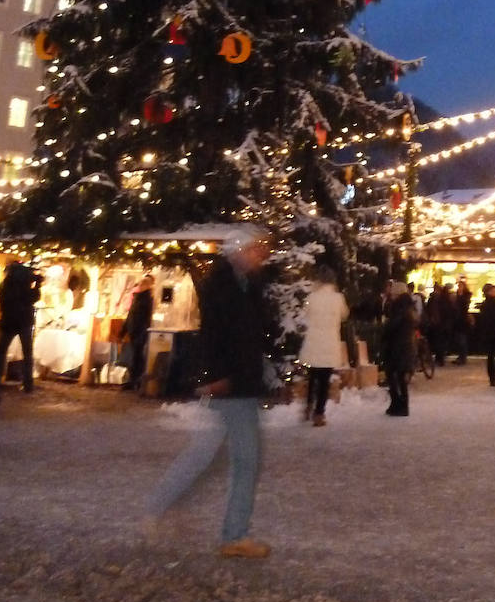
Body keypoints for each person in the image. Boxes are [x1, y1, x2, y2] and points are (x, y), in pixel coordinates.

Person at [146, 229, 272, 557]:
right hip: (232, 385)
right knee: (244, 460)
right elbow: (216, 336)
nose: (262, 254)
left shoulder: (247, 286)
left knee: (206, 454)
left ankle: (159, 507)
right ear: (239, 251)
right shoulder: (224, 287)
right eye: (256, 249)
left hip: (240, 383)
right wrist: (217, 376)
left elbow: (253, 336)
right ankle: (234, 536)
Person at [298, 264, 348, 427]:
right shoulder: (338, 298)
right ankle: (319, 414)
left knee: (313, 376)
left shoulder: (312, 297)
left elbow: (305, 316)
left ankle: (308, 406)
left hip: (314, 343)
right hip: (329, 344)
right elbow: (344, 315)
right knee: (325, 380)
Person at [0, 259, 41, 392]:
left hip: (9, 320)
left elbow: (2, 301)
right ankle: (28, 384)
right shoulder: (25, 284)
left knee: (1, 351)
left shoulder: (5, 284)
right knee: (27, 353)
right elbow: (34, 298)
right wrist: (37, 285)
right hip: (25, 320)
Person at [380, 287, 415, 416]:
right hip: (402, 347)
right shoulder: (406, 307)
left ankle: (400, 406)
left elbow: (391, 327)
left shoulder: (400, 308)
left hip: (398, 348)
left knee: (396, 376)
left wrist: (385, 331)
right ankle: (398, 404)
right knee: (397, 376)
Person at [122, 273, 155, 391]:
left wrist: (143, 332)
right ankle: (133, 380)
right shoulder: (138, 297)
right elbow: (130, 314)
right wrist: (124, 329)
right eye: (140, 283)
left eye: (142, 284)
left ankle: (135, 381)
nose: (140, 286)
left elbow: (146, 318)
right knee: (135, 356)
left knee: (137, 356)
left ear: (147, 286)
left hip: (140, 331)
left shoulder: (147, 300)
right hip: (134, 330)